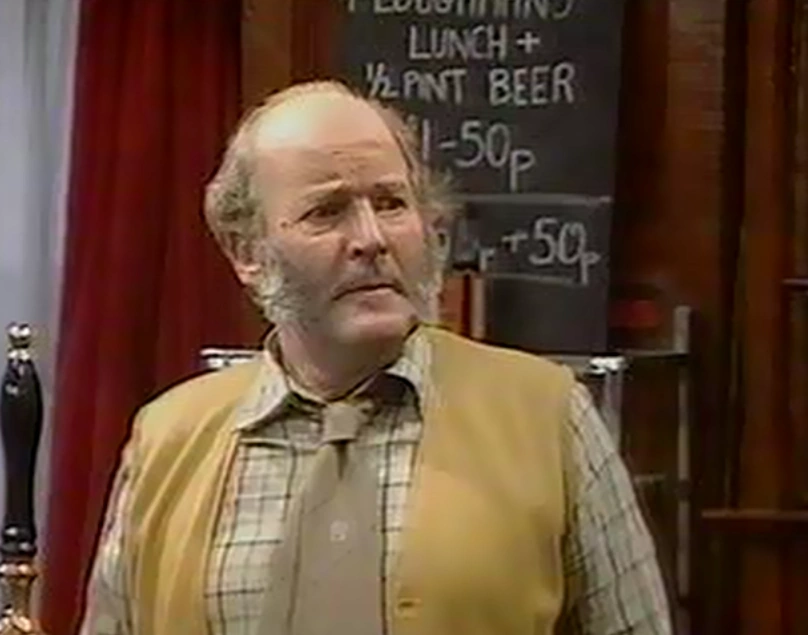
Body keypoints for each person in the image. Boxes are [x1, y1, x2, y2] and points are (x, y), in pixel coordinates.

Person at [81, 80, 672, 635]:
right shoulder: (168, 440)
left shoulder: (547, 417)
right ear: (247, 251)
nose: (371, 239)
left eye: (391, 203)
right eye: (326, 212)